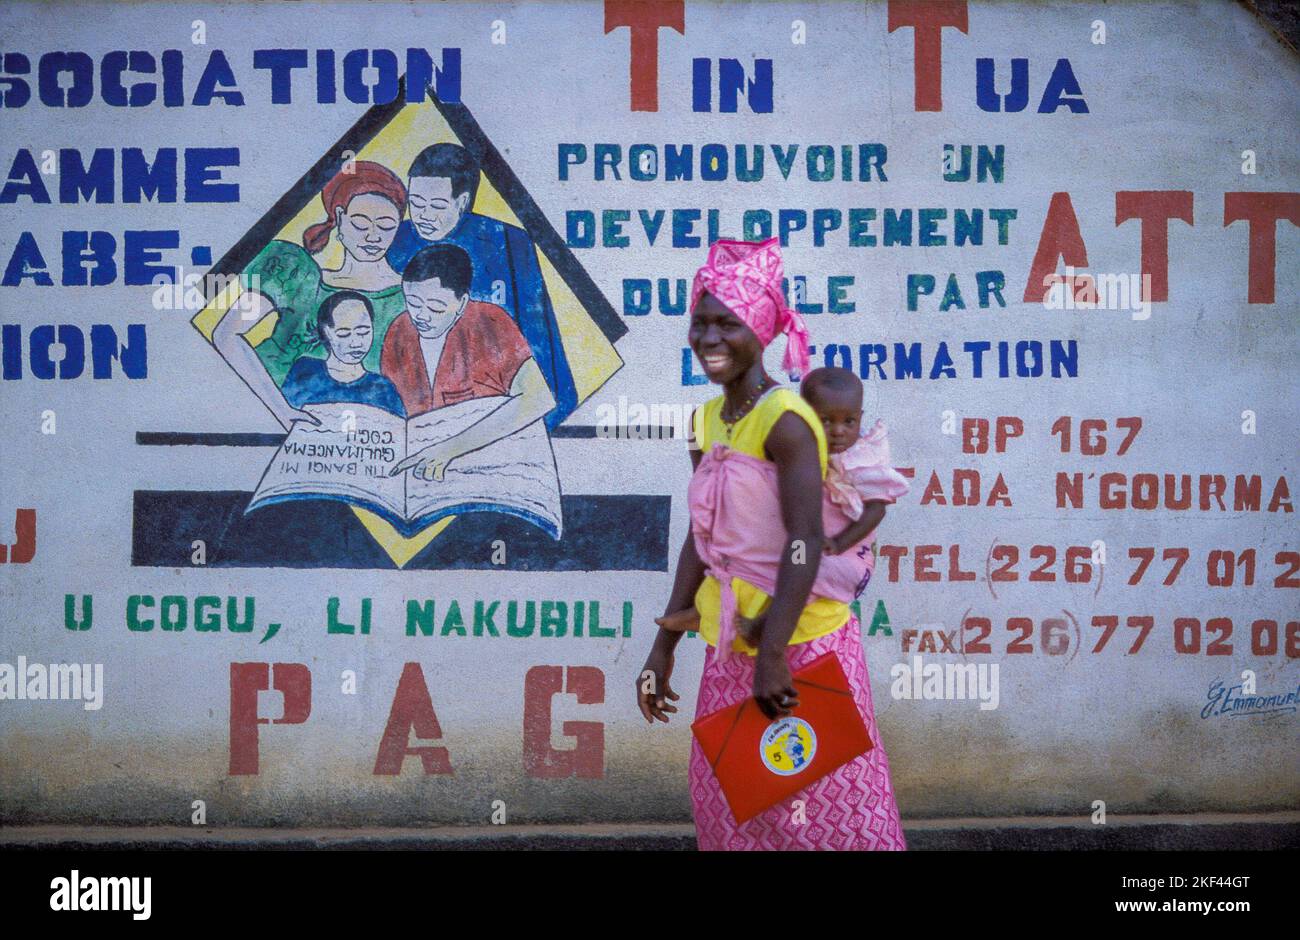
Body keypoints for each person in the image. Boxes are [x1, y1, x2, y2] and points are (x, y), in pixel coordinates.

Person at [635, 237, 907, 851]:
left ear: (760, 328)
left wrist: (774, 654)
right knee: (739, 808)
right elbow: (702, 537)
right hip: (730, 643)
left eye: (727, 324)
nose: (710, 339)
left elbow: (806, 540)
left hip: (803, 647)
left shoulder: (787, 418)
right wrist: (664, 646)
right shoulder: (707, 420)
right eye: (700, 323)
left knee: (834, 810)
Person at [655, 365, 910, 642]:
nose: (838, 431)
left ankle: (760, 625)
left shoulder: (863, 457)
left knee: (803, 573)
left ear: (860, 418)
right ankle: (705, 613)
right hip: (811, 544)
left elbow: (877, 508)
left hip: (844, 551)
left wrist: (839, 543)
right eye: (826, 421)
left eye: (849, 422)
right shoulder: (791, 446)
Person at [384, 143, 576, 430]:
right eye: (416, 203)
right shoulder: (393, 242)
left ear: (462, 202)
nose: (423, 215)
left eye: (437, 206)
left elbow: (539, 334)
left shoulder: (508, 242)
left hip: (495, 403)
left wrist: (543, 423)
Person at [214, 161, 408, 430]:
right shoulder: (298, 273)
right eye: (361, 223)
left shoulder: (412, 295)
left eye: (386, 225)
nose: (373, 236)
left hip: (371, 433)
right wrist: (281, 411)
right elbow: (227, 334)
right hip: (275, 421)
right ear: (339, 218)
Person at [382, 243, 556, 482]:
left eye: (435, 307)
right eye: (413, 303)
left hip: (487, 471)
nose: (421, 316)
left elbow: (538, 398)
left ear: (462, 303)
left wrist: (448, 450)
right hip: (415, 473)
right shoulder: (399, 332)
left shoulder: (490, 323)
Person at [280, 290, 406, 416]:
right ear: (327, 332)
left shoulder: (383, 388)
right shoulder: (304, 371)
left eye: (363, 332)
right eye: (344, 334)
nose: (356, 343)